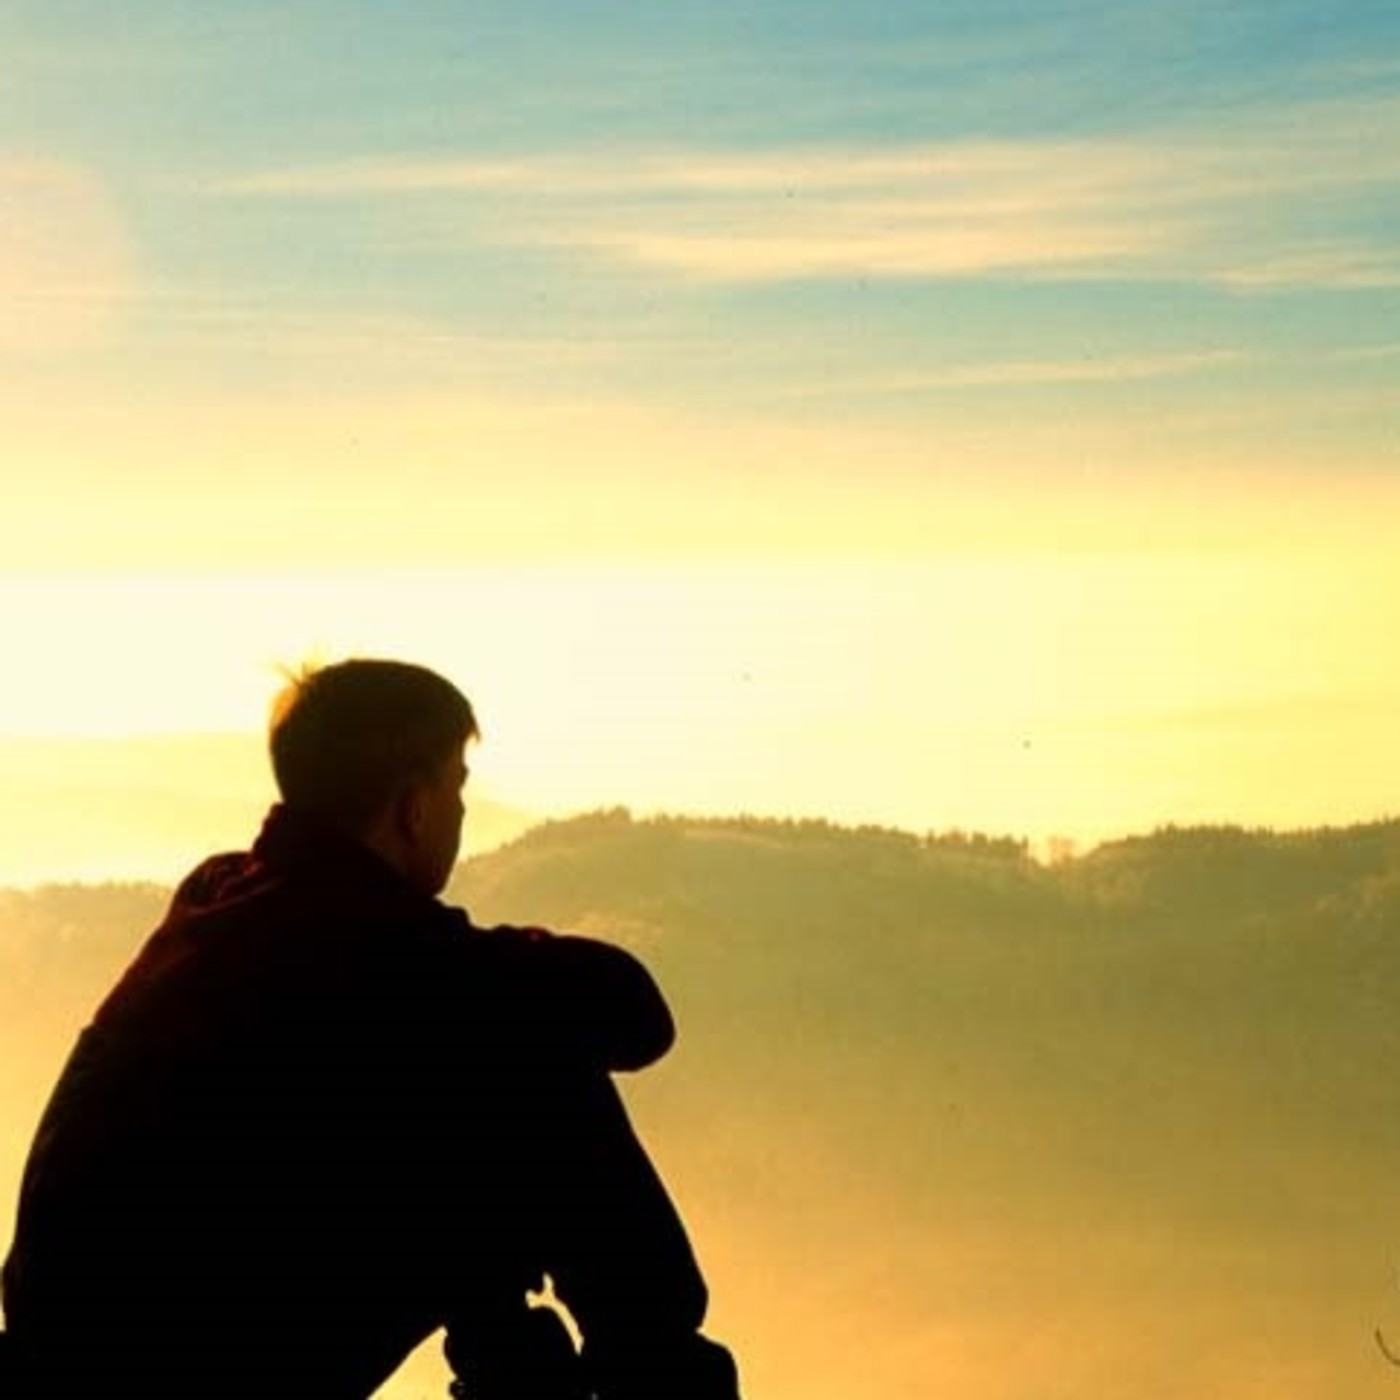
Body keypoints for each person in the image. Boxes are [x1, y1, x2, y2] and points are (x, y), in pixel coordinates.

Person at [1, 659, 741, 1400]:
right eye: (455, 787)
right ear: (413, 809)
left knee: (468, 1069)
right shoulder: (390, 956)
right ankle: (656, 1366)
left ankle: (518, 1360)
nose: (459, 813)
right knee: (537, 1066)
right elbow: (637, 1016)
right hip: (190, 1362)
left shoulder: (214, 895)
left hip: (67, 1338)